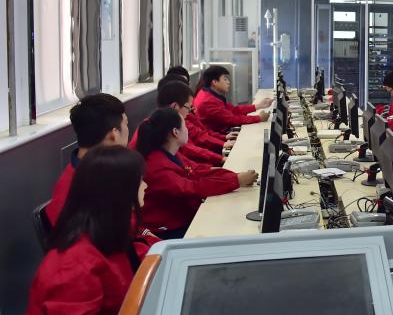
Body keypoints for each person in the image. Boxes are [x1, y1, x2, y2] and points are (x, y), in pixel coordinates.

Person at [20, 147, 153, 315]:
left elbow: (124, 267)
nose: (146, 186)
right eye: (139, 181)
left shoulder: (109, 231)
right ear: (119, 193)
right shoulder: (73, 263)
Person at [136, 108, 254, 238]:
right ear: (175, 132)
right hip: (169, 228)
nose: (187, 129)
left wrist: (234, 176)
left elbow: (198, 170)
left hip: (184, 215)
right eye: (184, 125)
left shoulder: (171, 153)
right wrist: (236, 181)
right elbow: (192, 188)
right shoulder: (156, 166)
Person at [46, 94, 130, 226]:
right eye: (126, 124)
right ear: (113, 135)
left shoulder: (98, 173)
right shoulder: (74, 193)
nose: (128, 130)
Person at [193, 65, 272, 134]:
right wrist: (258, 118)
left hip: (219, 132)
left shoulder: (208, 94)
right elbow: (232, 119)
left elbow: (233, 110)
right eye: (225, 79)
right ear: (215, 82)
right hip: (216, 137)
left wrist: (258, 105)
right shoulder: (208, 101)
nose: (228, 82)